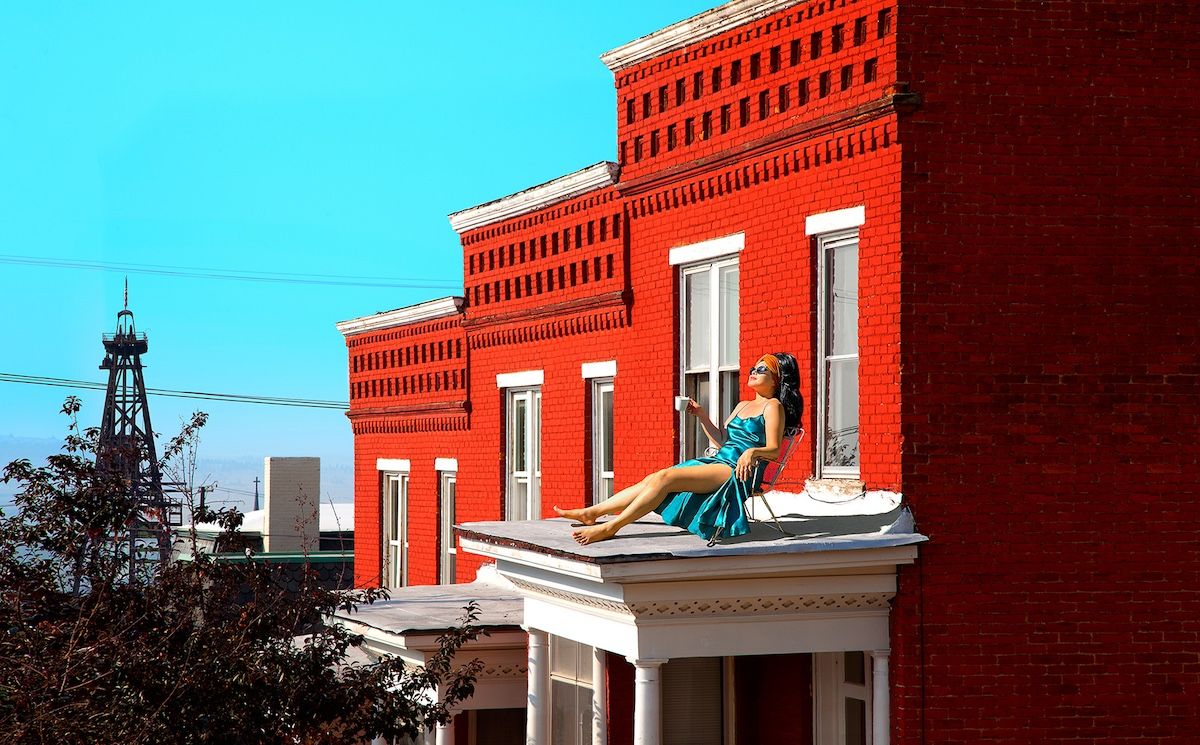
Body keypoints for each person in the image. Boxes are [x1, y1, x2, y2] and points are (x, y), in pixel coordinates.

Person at [554, 352, 803, 545]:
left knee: (664, 478)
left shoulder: (773, 407)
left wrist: (752, 452)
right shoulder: (741, 405)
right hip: (720, 461)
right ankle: (593, 512)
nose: (753, 372)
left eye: (762, 369)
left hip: (737, 473)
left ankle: (611, 527)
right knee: (654, 477)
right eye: (753, 367)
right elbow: (722, 441)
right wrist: (702, 416)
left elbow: (772, 450)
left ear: (776, 379)